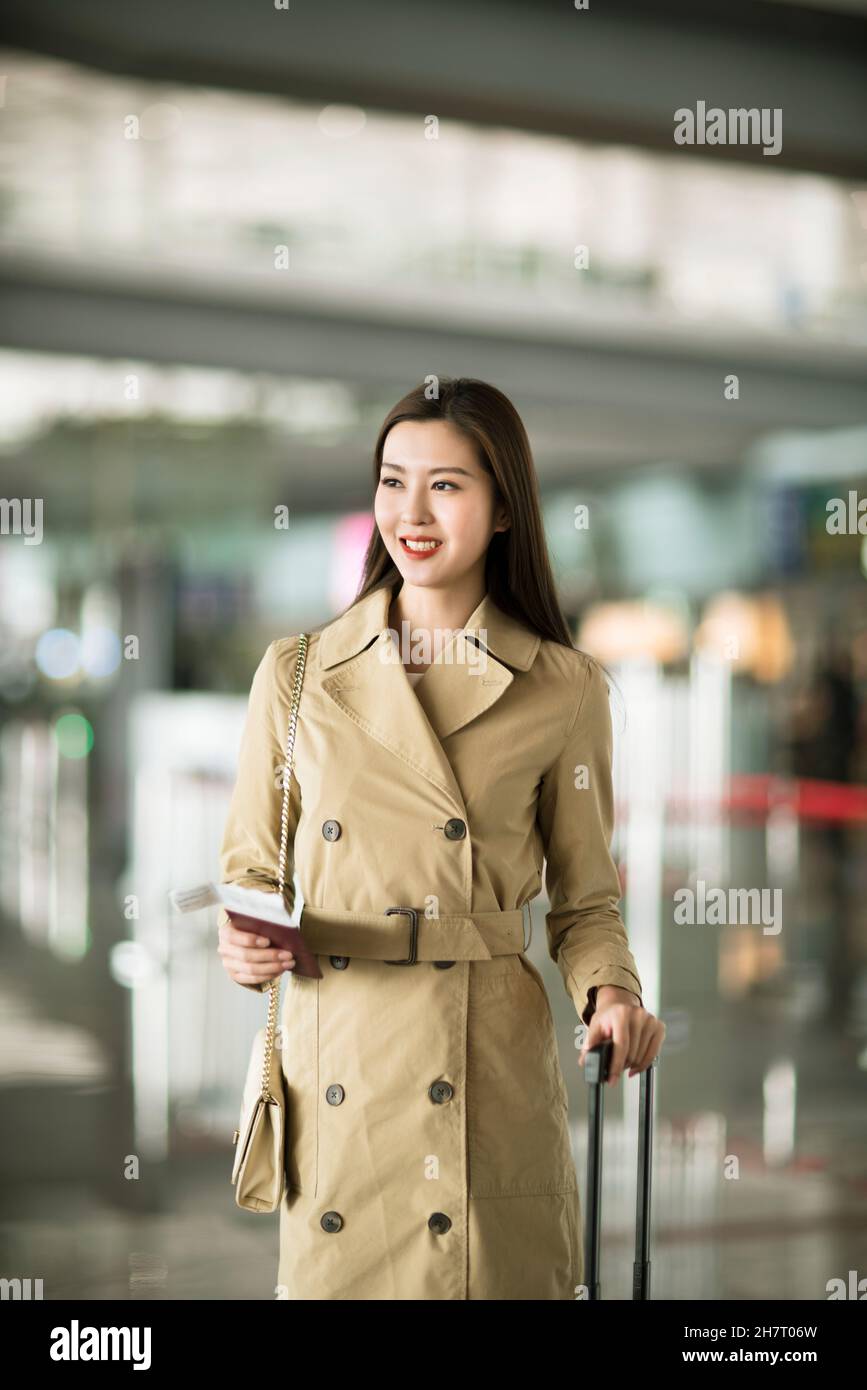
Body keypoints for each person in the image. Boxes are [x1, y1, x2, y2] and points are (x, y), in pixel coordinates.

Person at [216, 376, 665, 1300]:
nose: (410, 512)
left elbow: (584, 899)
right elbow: (251, 868)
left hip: (484, 1079)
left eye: (447, 485)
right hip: (339, 1072)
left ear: (503, 508)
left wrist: (611, 994)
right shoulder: (297, 675)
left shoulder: (562, 687)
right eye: (392, 480)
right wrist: (242, 939)